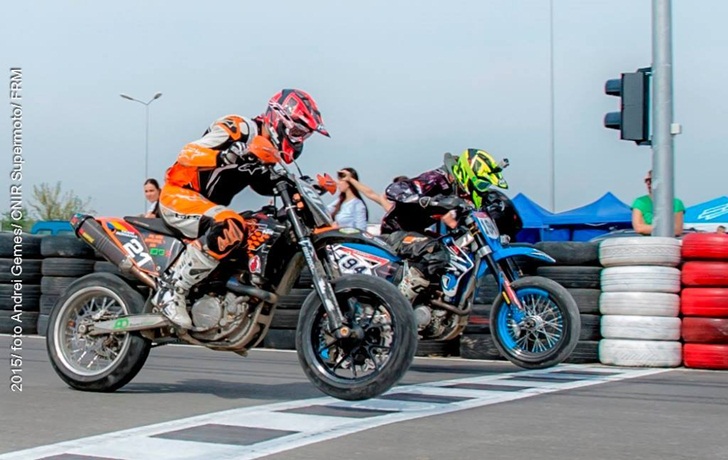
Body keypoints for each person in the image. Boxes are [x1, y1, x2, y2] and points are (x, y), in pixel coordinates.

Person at [155, 89, 329, 329]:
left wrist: (310, 186)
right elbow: (188, 153)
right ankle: (171, 290)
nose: (299, 141)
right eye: (297, 133)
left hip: (208, 207)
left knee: (260, 226)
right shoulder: (238, 128)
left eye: (304, 136)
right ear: (279, 120)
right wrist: (228, 155)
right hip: (179, 194)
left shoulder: (266, 153)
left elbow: (266, 186)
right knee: (230, 225)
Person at [380, 148, 509, 300]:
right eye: (481, 184)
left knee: (457, 255)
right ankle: (396, 301)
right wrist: (427, 200)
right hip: (395, 234)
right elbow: (393, 190)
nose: (481, 189)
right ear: (467, 174)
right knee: (436, 252)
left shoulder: (459, 191)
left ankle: (434, 301)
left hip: (419, 234)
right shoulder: (436, 178)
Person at [631, 170, 685, 237]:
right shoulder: (640, 202)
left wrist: (648, 227)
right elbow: (639, 228)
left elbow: (677, 230)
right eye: (647, 181)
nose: (648, 183)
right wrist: (667, 228)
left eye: (652, 180)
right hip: (648, 241)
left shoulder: (676, 203)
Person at [343, 173, 408, 212]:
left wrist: (383, 198)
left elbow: (390, 209)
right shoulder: (392, 204)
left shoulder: (410, 205)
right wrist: (350, 179)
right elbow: (370, 194)